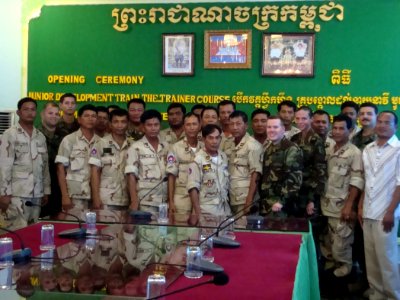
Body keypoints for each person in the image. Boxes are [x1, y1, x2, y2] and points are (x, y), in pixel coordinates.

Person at [359, 111, 400, 299]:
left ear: (395, 127)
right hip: (368, 210)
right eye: (380, 122)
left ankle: (393, 295)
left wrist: (391, 211)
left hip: (386, 213)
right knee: (372, 258)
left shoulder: (398, 149)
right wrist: (360, 207)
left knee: (387, 259)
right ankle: (377, 294)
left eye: (387, 122)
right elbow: (366, 181)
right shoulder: (368, 149)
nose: (383, 125)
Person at [320, 114, 364, 277]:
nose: (337, 132)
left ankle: (346, 277)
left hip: (341, 207)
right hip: (325, 205)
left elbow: (357, 181)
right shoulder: (328, 148)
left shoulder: (354, 153)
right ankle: (332, 279)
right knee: (327, 245)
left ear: (350, 130)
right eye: (335, 128)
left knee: (341, 246)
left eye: (341, 128)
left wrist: (349, 206)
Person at [0, 97, 50, 229]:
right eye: (26, 109)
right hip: (16, 194)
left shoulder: (40, 136)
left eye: (33, 110)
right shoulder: (9, 134)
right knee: (16, 232)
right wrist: (4, 193)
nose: (30, 112)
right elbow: (4, 166)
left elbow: (44, 166)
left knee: (32, 233)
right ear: (18, 112)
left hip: (36, 195)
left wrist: (46, 189)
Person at [55, 104, 100, 213]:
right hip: (75, 196)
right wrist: (64, 196)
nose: (90, 119)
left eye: (93, 116)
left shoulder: (101, 142)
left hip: (97, 197)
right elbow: (60, 169)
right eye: (86, 116)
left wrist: (97, 198)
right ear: (79, 119)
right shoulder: (69, 140)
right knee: (74, 228)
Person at [125, 110, 168, 213]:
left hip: (164, 202)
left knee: (164, 229)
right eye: (149, 125)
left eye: (156, 124)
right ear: (143, 127)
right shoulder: (135, 147)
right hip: (145, 201)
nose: (153, 128)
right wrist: (134, 200)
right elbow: (131, 176)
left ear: (160, 126)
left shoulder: (167, 146)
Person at [259, 116, 303, 217]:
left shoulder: (291, 149)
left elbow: (294, 180)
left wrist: (281, 202)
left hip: (282, 207)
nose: (271, 130)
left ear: (283, 129)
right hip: (267, 204)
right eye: (269, 127)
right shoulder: (269, 148)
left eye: (275, 127)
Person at [89, 109, 131, 211]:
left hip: (128, 199)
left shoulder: (134, 145)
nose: (120, 125)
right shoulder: (100, 143)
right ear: (110, 124)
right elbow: (95, 172)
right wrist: (96, 198)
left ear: (128, 124)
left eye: (123, 122)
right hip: (106, 200)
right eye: (116, 122)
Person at [187, 124, 231, 218]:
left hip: (224, 209)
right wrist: (198, 215)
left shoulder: (223, 157)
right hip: (206, 210)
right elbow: (193, 188)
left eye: (217, 138)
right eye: (210, 138)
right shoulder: (197, 159)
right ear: (204, 139)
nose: (214, 141)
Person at [223, 111, 262, 213]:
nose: (235, 127)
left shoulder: (253, 145)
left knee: (243, 228)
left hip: (244, 199)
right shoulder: (227, 143)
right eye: (232, 124)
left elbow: (256, 174)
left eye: (238, 124)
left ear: (246, 125)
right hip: (229, 197)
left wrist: (249, 201)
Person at [291, 106, 326, 218]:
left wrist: (312, 199)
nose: (300, 122)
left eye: (304, 118)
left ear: (311, 119)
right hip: (295, 191)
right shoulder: (294, 139)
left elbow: (320, 171)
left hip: (309, 193)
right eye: (297, 118)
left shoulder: (316, 141)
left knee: (310, 227)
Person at [166, 112, 203, 214]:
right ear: (183, 127)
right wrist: (171, 201)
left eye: (194, 124)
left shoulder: (205, 147)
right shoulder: (176, 147)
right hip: (181, 197)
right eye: (188, 124)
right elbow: (171, 176)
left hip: (202, 197)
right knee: (182, 228)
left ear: (200, 126)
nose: (191, 127)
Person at [38, 102, 63, 217]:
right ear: (42, 114)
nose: (54, 116)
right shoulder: (34, 134)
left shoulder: (65, 136)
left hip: (59, 185)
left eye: (57, 114)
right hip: (38, 185)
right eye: (50, 113)